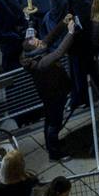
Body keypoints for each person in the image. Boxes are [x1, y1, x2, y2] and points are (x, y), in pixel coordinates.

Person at [23, 14, 77, 160]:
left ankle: (50, 145)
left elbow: (50, 38)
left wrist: (63, 22)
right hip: (54, 95)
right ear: (34, 48)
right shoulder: (40, 63)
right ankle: (55, 153)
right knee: (54, 123)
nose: (40, 41)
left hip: (50, 94)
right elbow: (59, 52)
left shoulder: (35, 53)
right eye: (37, 42)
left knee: (49, 120)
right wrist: (71, 33)